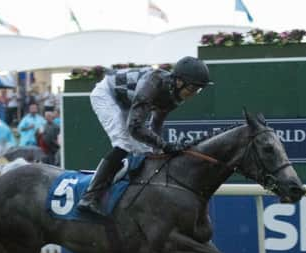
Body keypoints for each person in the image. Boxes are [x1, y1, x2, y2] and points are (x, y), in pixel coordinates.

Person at [77, 56, 214, 216]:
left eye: (198, 90)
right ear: (179, 81)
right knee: (124, 143)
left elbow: (156, 124)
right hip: (107, 94)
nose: (194, 94)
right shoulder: (153, 84)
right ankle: (90, 197)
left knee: (143, 150)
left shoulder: (175, 96)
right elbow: (135, 127)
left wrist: (159, 150)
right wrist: (164, 145)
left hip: (127, 101)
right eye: (192, 88)